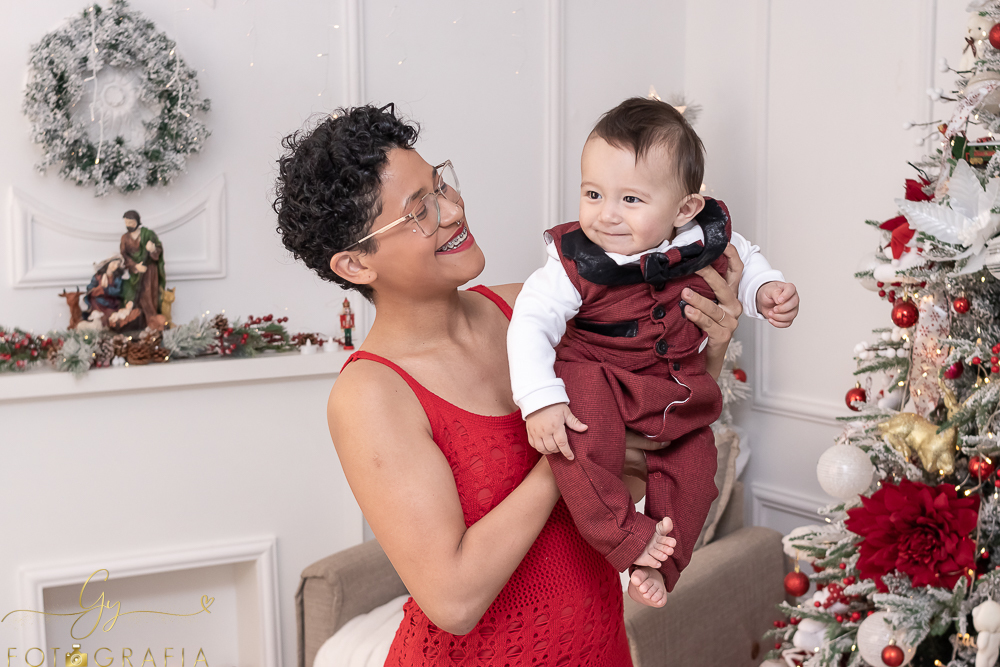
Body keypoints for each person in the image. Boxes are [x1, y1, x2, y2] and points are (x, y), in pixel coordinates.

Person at [273, 104, 744, 666]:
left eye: (440, 184)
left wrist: (706, 354)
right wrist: (566, 456)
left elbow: (637, 467)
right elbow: (454, 599)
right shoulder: (372, 395)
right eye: (419, 210)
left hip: (601, 647)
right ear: (355, 266)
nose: (452, 210)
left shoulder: (534, 310)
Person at [507, 97, 800, 608]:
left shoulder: (701, 241)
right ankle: (622, 534)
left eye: (631, 200)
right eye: (593, 193)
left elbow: (743, 261)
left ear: (684, 209)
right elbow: (531, 321)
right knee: (578, 438)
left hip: (672, 393)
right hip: (596, 375)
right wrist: (540, 398)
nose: (606, 215)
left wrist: (765, 290)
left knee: (696, 467)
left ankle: (663, 566)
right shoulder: (575, 263)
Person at [118, 210, 166, 331]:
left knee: (149, 295)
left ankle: (153, 324)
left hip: (149, 271)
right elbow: (124, 256)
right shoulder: (124, 238)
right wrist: (135, 266)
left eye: (131, 222)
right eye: (126, 222)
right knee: (136, 296)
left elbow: (158, 249)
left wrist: (153, 249)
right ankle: (138, 325)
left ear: (137, 221)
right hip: (135, 273)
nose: (128, 225)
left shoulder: (148, 234)